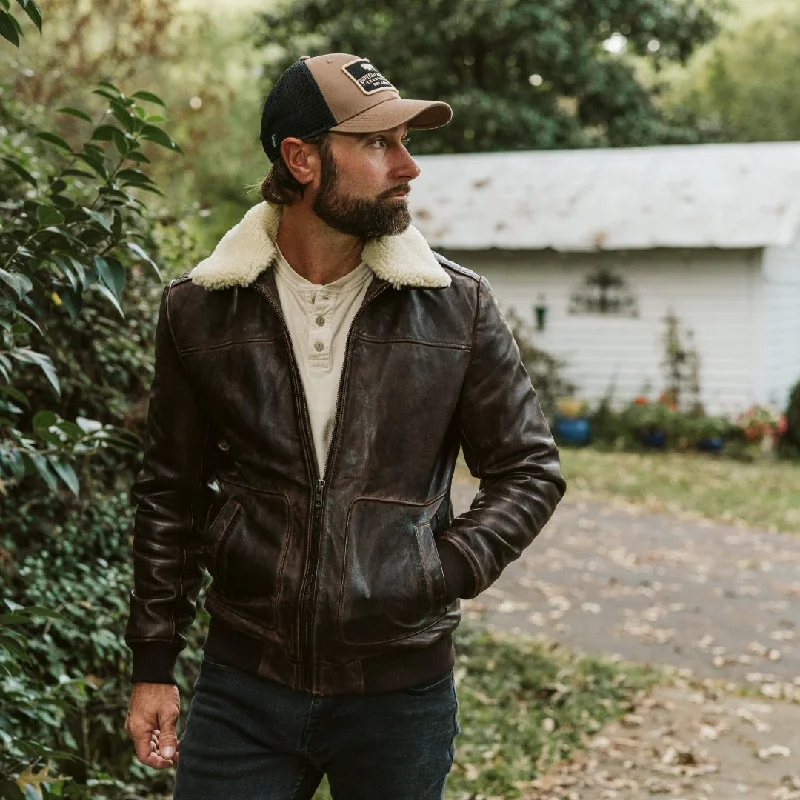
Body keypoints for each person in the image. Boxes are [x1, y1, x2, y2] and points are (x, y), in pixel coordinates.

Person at [124, 52, 566, 800]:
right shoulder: (200, 311)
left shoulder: (457, 308)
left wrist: (439, 570)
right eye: (377, 143)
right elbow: (169, 491)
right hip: (244, 686)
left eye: (403, 141)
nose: (408, 166)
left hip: (401, 695)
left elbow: (529, 470)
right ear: (301, 160)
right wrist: (153, 666)